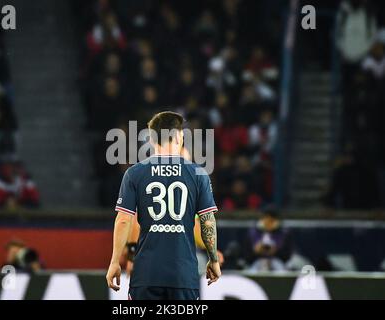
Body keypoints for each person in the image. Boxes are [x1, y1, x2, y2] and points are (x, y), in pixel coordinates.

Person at [106, 111, 221, 300]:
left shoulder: (134, 174)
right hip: (183, 275)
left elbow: (124, 220)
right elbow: (207, 221)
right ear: (179, 136)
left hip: (146, 273)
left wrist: (114, 261)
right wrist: (213, 259)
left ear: (151, 140)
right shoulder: (199, 174)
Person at [243, 205, 293, 272]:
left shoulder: (284, 233)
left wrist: (276, 251)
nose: (268, 223)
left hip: (277, 261)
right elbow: (247, 257)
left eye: (271, 220)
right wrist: (256, 251)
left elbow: (287, 256)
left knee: (281, 271)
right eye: (266, 219)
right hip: (257, 261)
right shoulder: (253, 232)